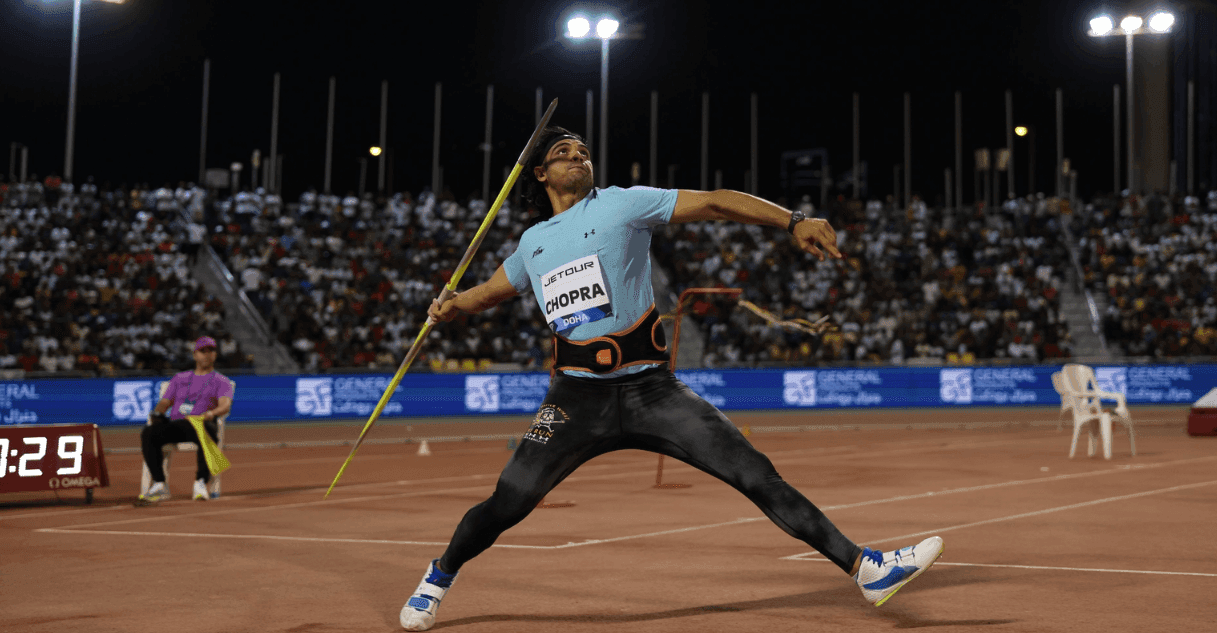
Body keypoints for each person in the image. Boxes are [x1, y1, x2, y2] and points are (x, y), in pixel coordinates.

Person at [399, 127, 944, 631]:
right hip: (574, 399)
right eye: (563, 153)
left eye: (584, 150)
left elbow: (712, 202)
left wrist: (792, 220)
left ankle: (864, 568)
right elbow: (493, 289)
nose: (578, 156)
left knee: (755, 473)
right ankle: (438, 577)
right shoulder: (532, 243)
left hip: (650, 391)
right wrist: (452, 306)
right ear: (539, 174)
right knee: (506, 503)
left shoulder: (621, 204)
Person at [135, 336, 234, 505]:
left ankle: (200, 482)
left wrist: (210, 414)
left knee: (207, 431)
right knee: (149, 433)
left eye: (211, 351)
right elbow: (165, 403)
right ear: (195, 355)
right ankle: (159, 483)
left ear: (215, 355)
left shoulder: (221, 381)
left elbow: (225, 406)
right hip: (177, 425)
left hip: (201, 423)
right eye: (203, 351)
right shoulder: (180, 378)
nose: (207, 355)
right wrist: (157, 414)